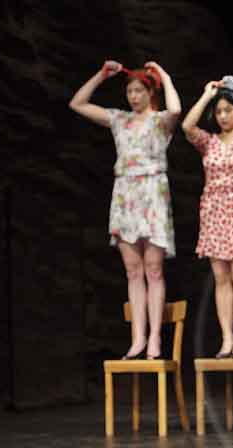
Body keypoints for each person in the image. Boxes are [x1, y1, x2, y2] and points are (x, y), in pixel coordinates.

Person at [70, 60, 182, 359]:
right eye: (130, 91)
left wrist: (165, 75)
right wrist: (100, 75)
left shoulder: (159, 120)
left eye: (138, 91)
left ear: (149, 92)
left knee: (153, 270)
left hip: (152, 193)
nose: (133, 96)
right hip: (125, 195)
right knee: (133, 271)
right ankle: (138, 338)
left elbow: (176, 110)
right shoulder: (119, 119)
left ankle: (156, 338)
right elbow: (77, 103)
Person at [182, 76, 233, 358]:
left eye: (228, 110)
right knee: (220, 276)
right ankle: (226, 338)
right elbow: (187, 126)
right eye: (219, 112)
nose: (223, 116)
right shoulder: (210, 142)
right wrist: (208, 95)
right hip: (214, 207)